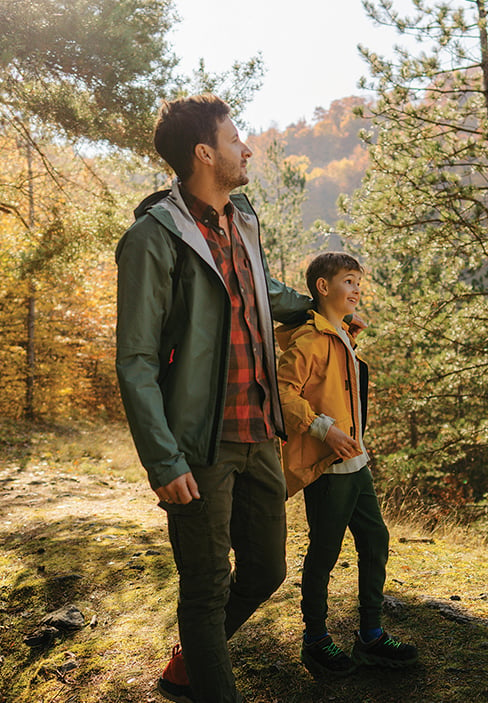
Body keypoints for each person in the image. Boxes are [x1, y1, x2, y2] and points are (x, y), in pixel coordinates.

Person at [115, 94, 315, 703]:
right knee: (205, 586)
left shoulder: (242, 217)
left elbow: (259, 292)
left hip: (259, 429)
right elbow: (136, 360)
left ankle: (191, 661)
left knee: (266, 571)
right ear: (205, 153)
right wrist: (163, 460)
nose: (247, 148)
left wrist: (318, 308)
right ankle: (206, 678)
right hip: (198, 442)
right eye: (236, 140)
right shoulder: (153, 238)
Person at [276, 252, 419, 679]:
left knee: (375, 540)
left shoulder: (341, 334)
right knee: (324, 552)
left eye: (359, 282)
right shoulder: (309, 340)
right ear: (323, 287)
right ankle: (315, 641)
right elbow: (282, 395)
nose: (357, 289)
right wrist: (325, 430)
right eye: (349, 281)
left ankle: (370, 636)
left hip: (356, 462)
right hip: (328, 465)